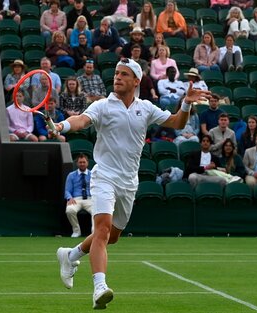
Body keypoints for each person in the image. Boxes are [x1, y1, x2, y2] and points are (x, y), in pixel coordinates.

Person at [54, 58, 211, 309]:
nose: (117, 77)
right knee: (102, 230)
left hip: (129, 182)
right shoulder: (103, 105)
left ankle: (70, 255)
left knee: (110, 237)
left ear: (136, 81)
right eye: (116, 73)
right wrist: (62, 125)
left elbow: (177, 123)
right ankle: (99, 287)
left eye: (124, 74)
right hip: (104, 175)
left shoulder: (146, 108)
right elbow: (81, 120)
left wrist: (185, 104)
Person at [64, 153, 93, 238]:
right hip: (76, 199)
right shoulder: (71, 175)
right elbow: (67, 191)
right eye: (80, 162)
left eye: (84, 162)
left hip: (90, 198)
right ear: (77, 163)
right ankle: (76, 231)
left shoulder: (92, 175)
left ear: (87, 163)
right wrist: (69, 198)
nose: (82, 164)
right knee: (69, 210)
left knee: (97, 211)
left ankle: (94, 232)